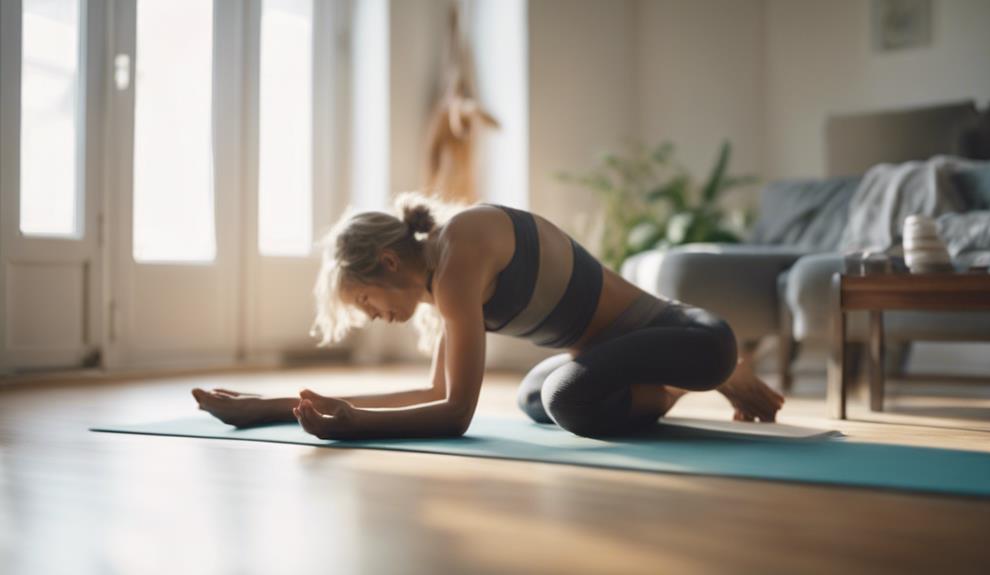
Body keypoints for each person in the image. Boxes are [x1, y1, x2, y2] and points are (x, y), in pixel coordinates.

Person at [192, 193, 784, 439]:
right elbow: (433, 390)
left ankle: (701, 373)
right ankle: (698, 375)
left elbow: (454, 414)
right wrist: (269, 409)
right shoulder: (445, 281)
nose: (373, 318)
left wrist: (357, 426)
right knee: (535, 399)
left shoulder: (459, 257)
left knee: (567, 400)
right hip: (617, 350)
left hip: (692, 334)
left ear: (390, 263)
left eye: (366, 302)